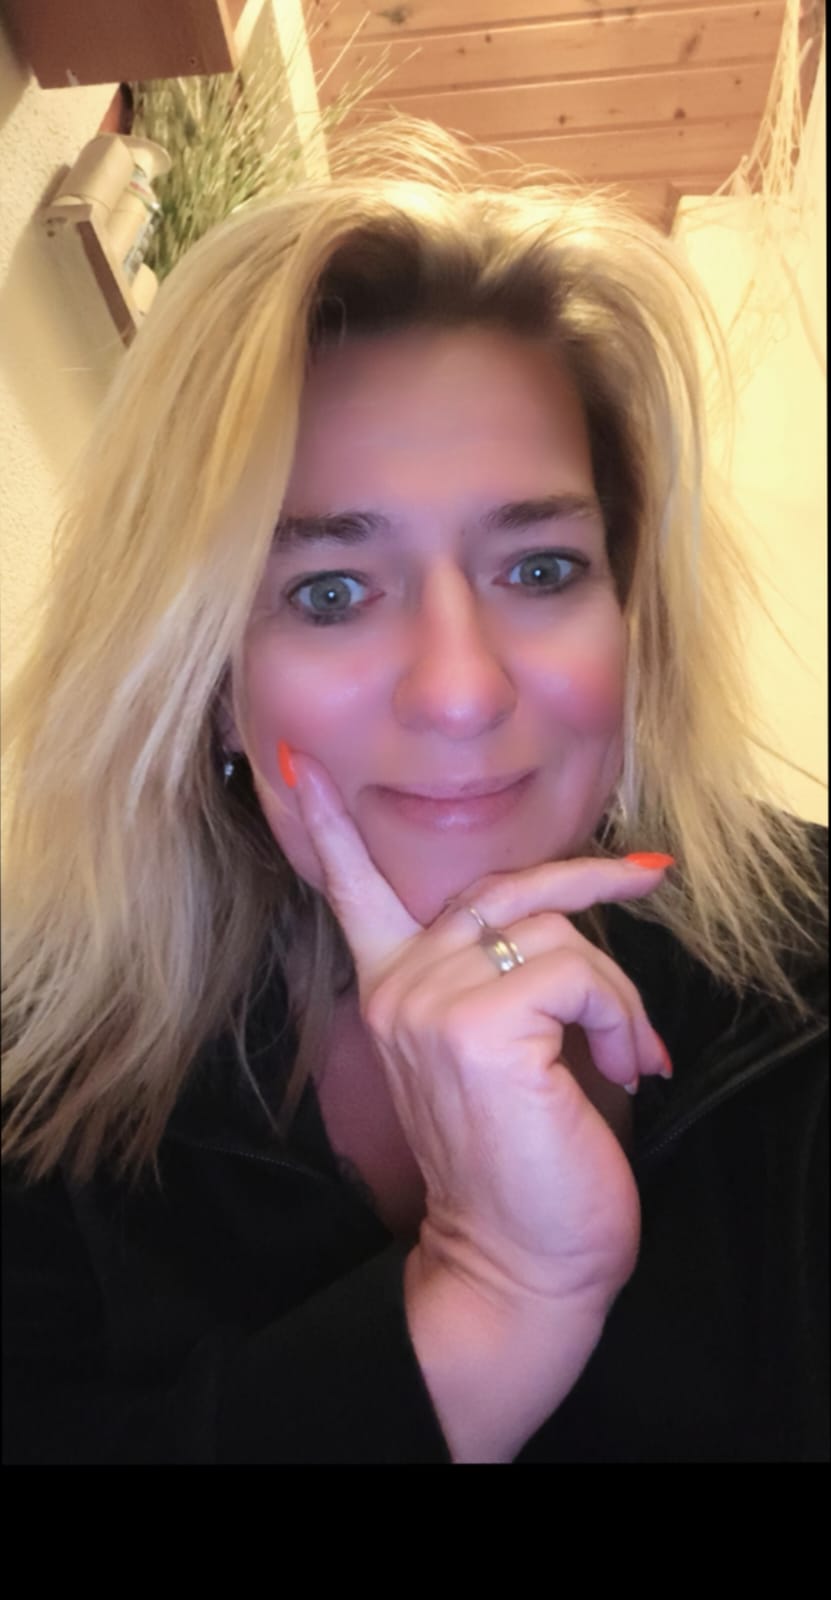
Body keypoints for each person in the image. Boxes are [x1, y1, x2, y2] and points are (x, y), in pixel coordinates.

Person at [2, 118, 827, 1465]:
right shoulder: (33, 1097)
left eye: (542, 570)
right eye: (331, 591)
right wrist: (492, 1300)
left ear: (634, 614)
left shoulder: (809, 972)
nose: (460, 690)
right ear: (206, 676)